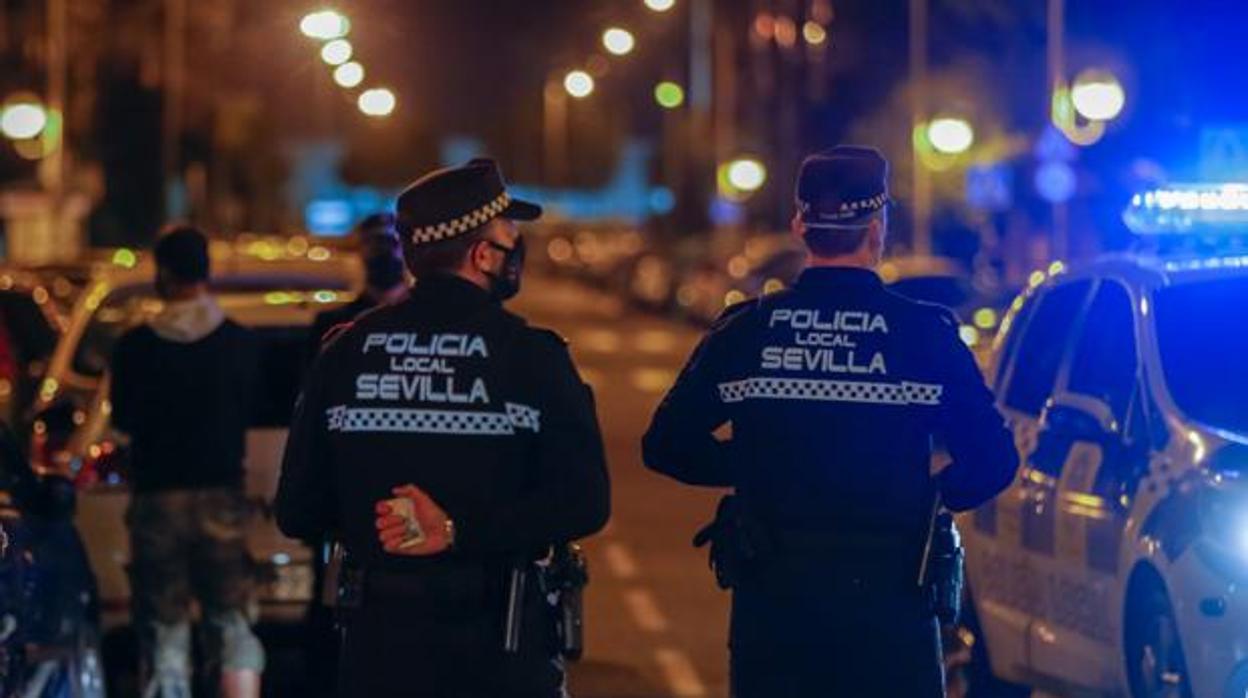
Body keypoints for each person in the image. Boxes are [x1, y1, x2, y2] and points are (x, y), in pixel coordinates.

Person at [642, 146, 1019, 698]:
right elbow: (993, 460)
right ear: (878, 227)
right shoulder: (924, 335)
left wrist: (760, 469)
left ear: (800, 226)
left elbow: (667, 444)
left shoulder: (747, 331)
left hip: (775, 605)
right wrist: (924, 493)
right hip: (892, 604)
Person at [276, 159, 610, 698]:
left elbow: (298, 510)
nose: (516, 246)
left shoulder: (345, 352)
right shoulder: (532, 357)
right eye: (509, 236)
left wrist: (383, 524)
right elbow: (586, 502)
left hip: (378, 652)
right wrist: (455, 531)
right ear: (482, 254)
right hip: (498, 651)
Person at [110, 225, 264, 698]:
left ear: (164, 273)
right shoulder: (237, 342)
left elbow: (125, 418)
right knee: (232, 622)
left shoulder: (135, 346)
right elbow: (253, 409)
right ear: (207, 272)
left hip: (158, 500)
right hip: (220, 495)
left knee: (164, 623)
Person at [307, 213, 410, 359]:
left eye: (392, 243)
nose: (385, 252)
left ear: (407, 251)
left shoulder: (426, 320)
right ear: (360, 250)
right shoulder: (332, 324)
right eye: (376, 244)